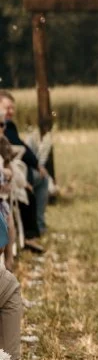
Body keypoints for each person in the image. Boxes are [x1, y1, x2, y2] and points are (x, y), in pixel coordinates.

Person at [0, 91, 47, 253]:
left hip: (11, 174)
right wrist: (36, 165)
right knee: (35, 185)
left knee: (29, 184)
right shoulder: (7, 127)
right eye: (7, 108)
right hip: (9, 179)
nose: (10, 112)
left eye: (13, 108)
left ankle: (35, 229)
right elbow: (18, 149)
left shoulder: (6, 128)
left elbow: (17, 149)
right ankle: (34, 231)